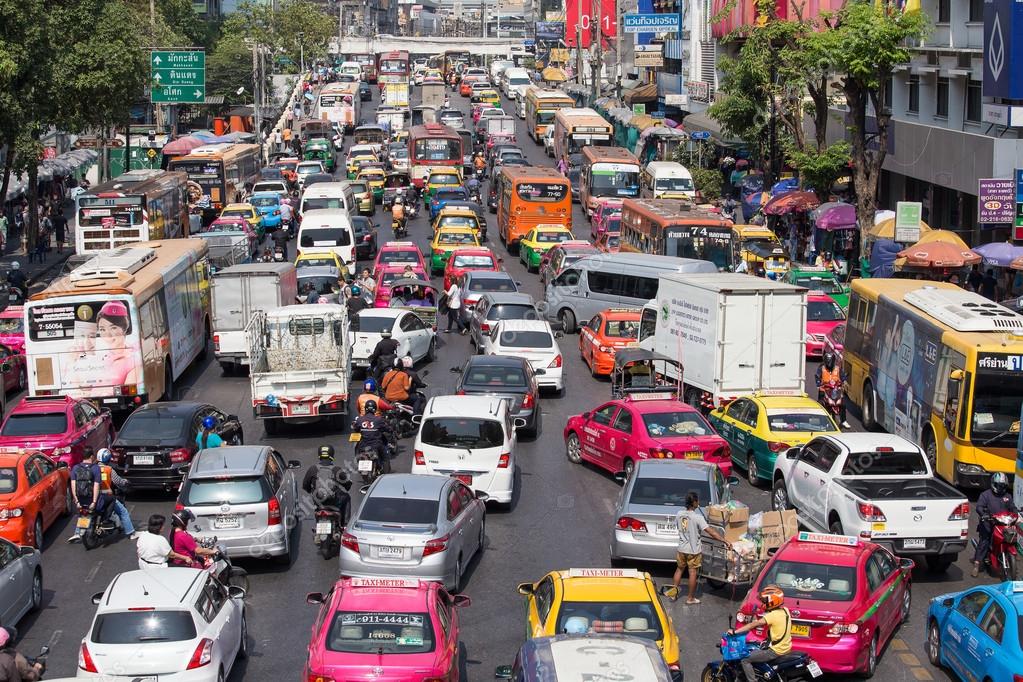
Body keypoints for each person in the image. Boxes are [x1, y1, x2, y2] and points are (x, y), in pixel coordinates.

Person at [663, 491, 729, 604]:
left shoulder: (679, 514)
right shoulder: (697, 517)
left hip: (681, 548)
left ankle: (673, 596)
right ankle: (690, 598)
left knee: (679, 570)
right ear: (694, 502)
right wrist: (724, 540)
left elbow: (679, 527)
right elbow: (710, 532)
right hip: (693, 550)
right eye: (697, 500)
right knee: (692, 573)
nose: (698, 502)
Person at [728, 585, 793, 682]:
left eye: (765, 601)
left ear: (772, 602)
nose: (763, 603)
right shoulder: (785, 610)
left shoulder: (772, 616)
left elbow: (753, 625)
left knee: (745, 659)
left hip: (775, 651)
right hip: (786, 647)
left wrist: (734, 631)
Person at [972, 472, 1018, 577]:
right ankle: (977, 564)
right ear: (993, 484)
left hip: (1003, 524)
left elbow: (1012, 507)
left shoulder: (1007, 496)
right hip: (988, 523)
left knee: (1011, 537)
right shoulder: (985, 495)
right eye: (999, 485)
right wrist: (984, 515)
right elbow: (979, 507)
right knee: (985, 541)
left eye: (1003, 486)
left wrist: (1016, 514)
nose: (1001, 488)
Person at [301, 445, 353, 520]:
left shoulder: (312, 469)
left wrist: (312, 491)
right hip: (334, 501)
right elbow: (347, 485)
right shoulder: (337, 469)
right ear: (331, 454)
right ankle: (345, 524)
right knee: (347, 497)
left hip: (318, 502)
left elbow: (305, 486)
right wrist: (348, 485)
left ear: (319, 455)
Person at [97, 448, 136, 539]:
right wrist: (125, 481)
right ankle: (131, 533)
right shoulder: (109, 469)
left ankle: (78, 532)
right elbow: (118, 481)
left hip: (94, 496)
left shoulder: (93, 468)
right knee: (123, 512)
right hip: (106, 495)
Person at [67, 447, 103, 543]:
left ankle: (78, 532)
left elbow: (73, 485)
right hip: (91, 498)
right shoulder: (96, 468)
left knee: (82, 513)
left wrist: (76, 500)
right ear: (91, 456)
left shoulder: (75, 468)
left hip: (80, 499)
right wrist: (94, 502)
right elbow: (96, 486)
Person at [351, 400, 394, 466]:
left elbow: (356, 429)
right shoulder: (378, 419)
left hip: (363, 445)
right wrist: (390, 429)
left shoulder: (359, 419)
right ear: (375, 409)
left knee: (357, 448)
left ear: (365, 409)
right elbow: (387, 428)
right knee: (385, 458)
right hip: (376, 444)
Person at [815, 350, 850, 428]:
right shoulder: (821, 368)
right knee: (821, 404)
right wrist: (818, 384)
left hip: (835, 390)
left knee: (843, 404)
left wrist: (844, 381)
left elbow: (843, 376)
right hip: (824, 390)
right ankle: (822, 422)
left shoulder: (838, 369)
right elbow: (817, 376)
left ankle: (843, 421)